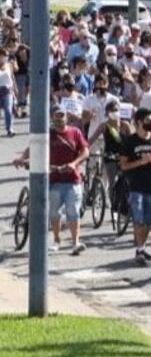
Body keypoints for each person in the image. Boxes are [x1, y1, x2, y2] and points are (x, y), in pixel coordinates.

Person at [119, 108, 151, 266]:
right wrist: (141, 161)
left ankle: (142, 247)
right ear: (138, 122)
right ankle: (140, 249)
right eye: (147, 120)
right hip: (135, 186)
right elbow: (123, 165)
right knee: (139, 220)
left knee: (147, 222)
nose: (150, 123)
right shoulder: (130, 141)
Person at [47, 105, 89, 255]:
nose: (59, 119)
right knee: (54, 213)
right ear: (52, 117)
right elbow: (33, 147)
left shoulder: (75, 132)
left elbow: (85, 151)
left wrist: (74, 163)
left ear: (67, 117)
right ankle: (57, 240)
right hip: (54, 179)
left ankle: (75, 242)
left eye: (62, 115)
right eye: (56, 115)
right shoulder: (48, 134)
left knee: (73, 211)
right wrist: (22, 158)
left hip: (72, 179)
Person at [0, 48, 16, 136]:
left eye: (5, 56)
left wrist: (15, 89)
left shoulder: (9, 65)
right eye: (2, 55)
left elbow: (12, 77)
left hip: (8, 90)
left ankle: (9, 129)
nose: (3, 57)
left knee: (8, 109)